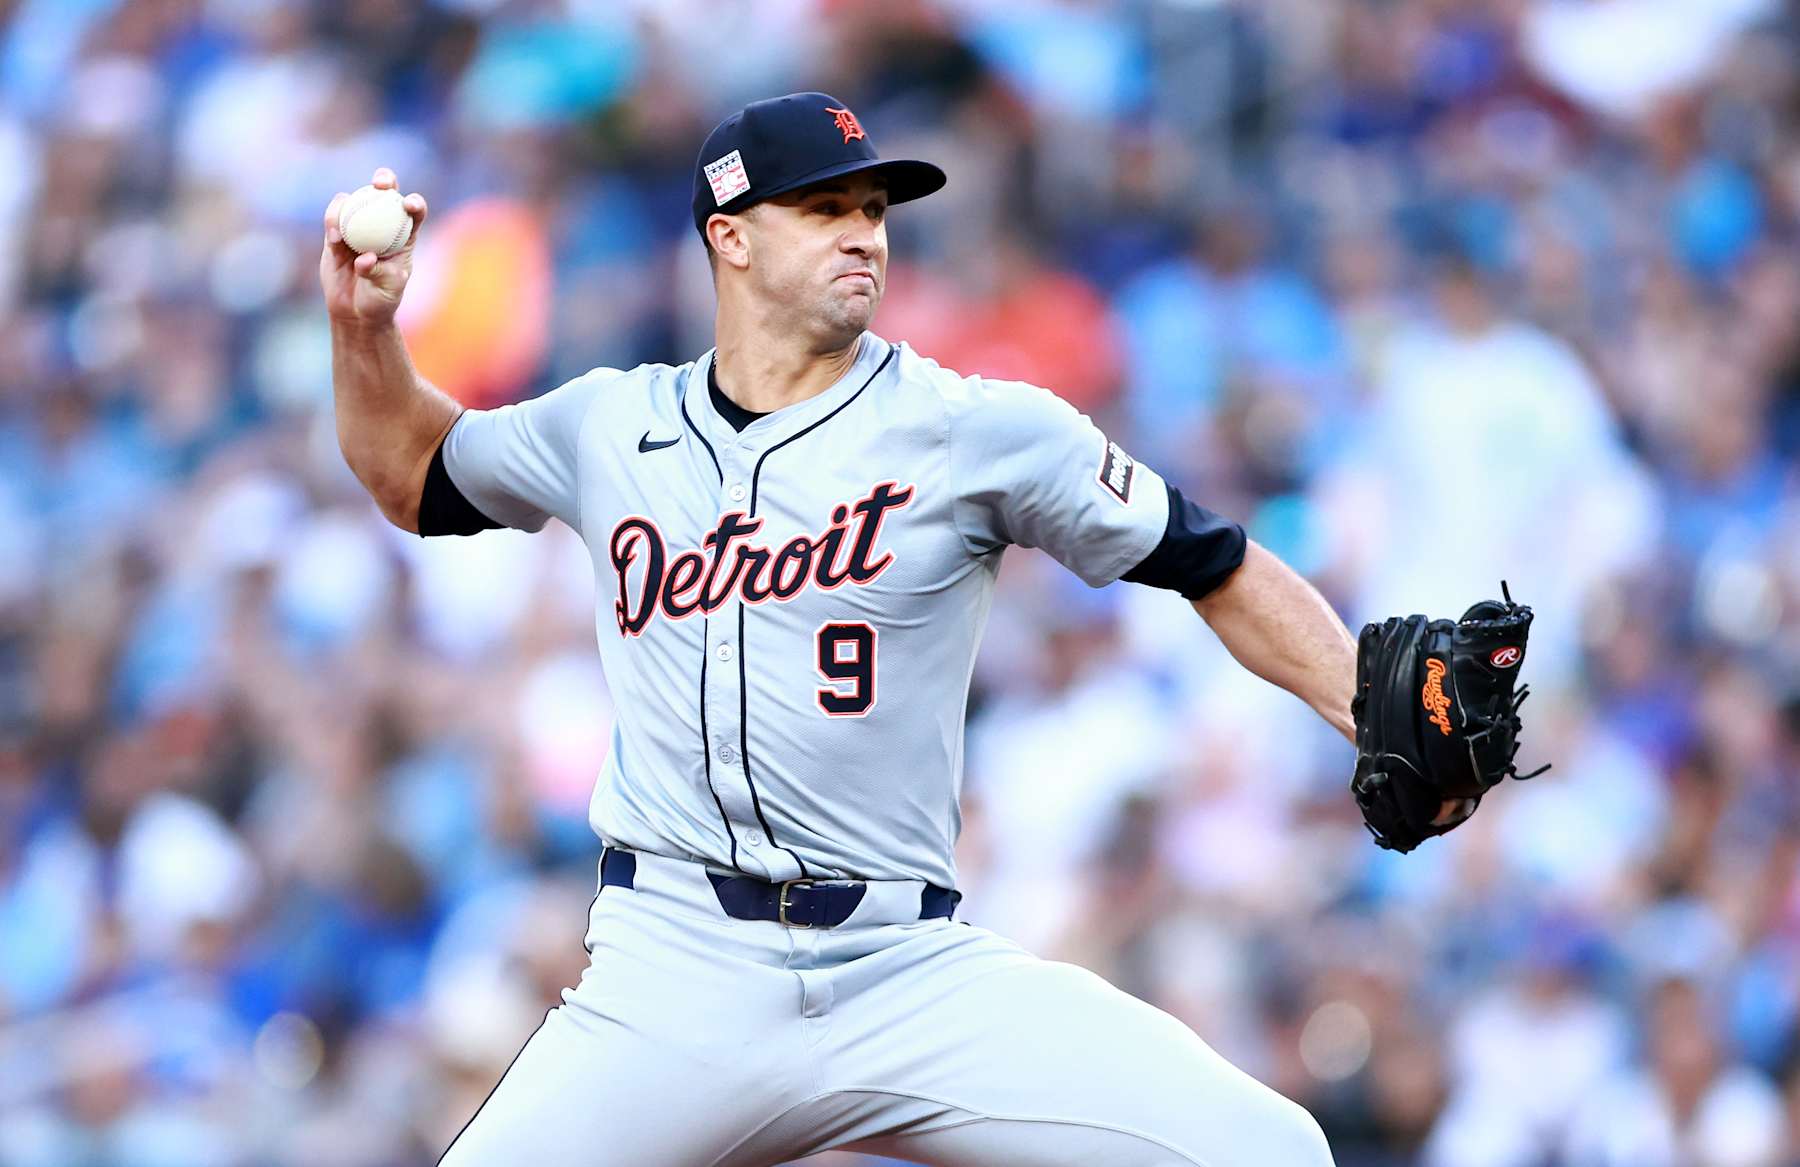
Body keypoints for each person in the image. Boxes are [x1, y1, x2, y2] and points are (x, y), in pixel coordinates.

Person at [323, 92, 1341, 1167]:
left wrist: (1366, 704)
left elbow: (1213, 558)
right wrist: (364, 329)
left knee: (1267, 1150)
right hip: (676, 969)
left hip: (904, 966)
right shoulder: (610, 425)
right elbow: (411, 470)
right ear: (732, 237)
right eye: (823, 209)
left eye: (874, 208)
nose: (865, 231)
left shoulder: (974, 429)